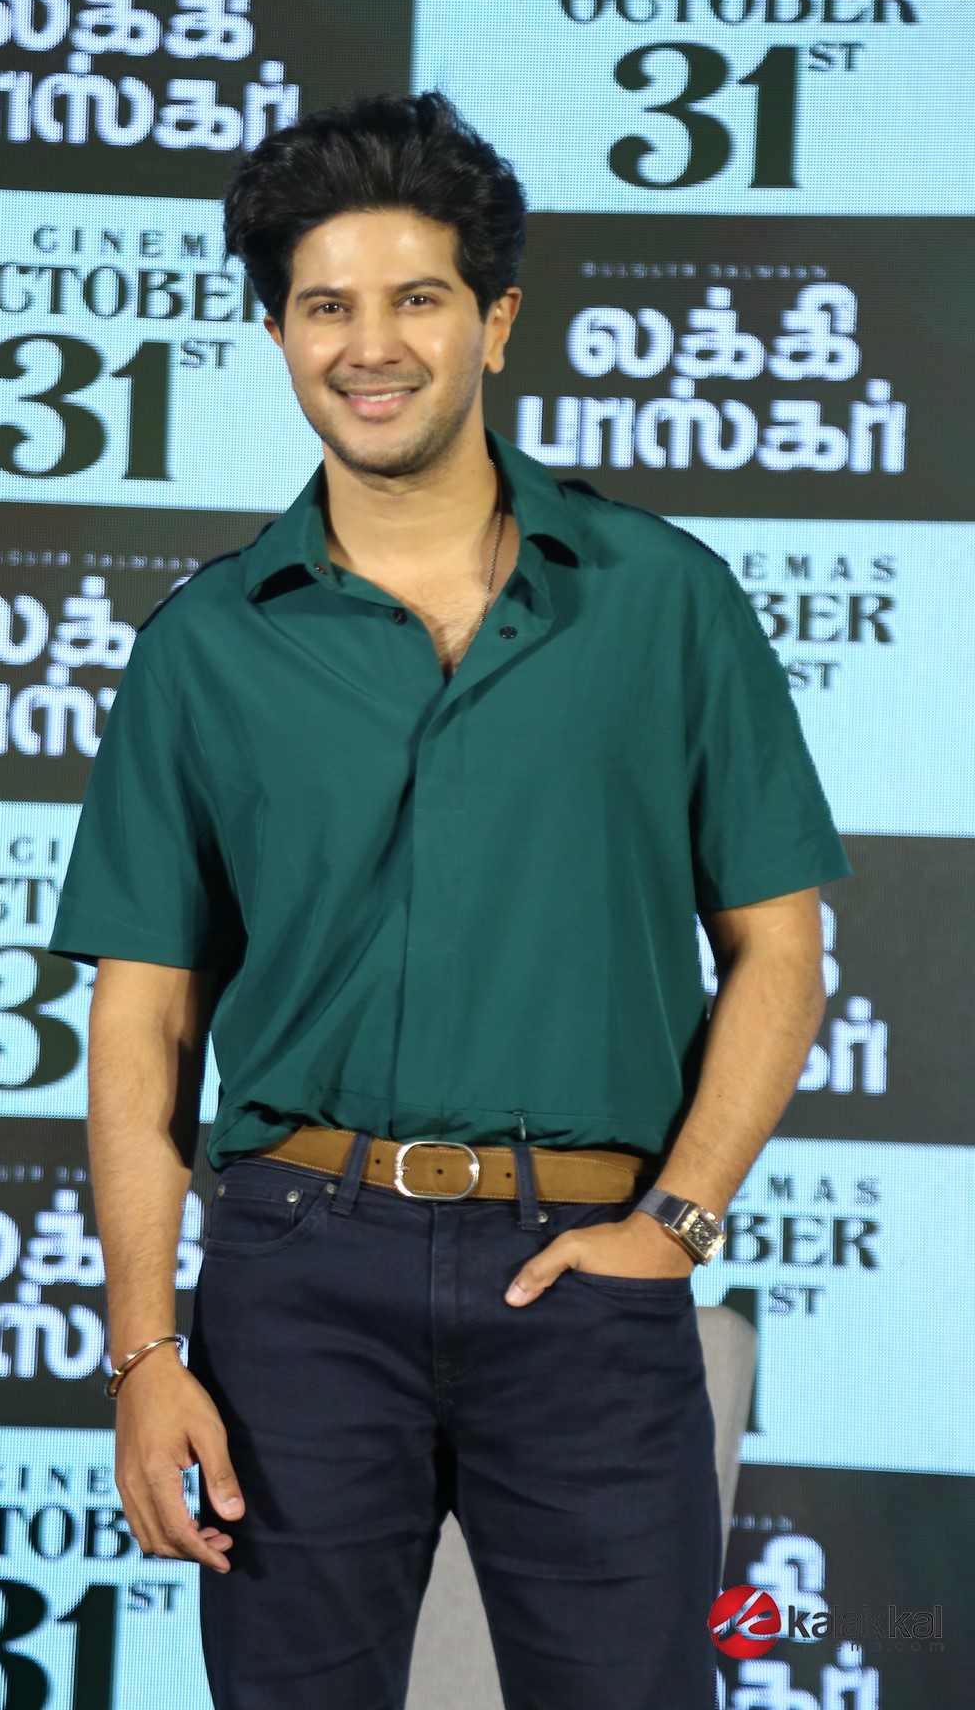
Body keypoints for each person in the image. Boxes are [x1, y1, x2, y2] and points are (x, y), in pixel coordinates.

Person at [49, 92, 850, 1709]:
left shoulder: (666, 598)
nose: (371, 347)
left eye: (416, 298)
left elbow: (781, 950)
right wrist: (143, 1355)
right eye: (324, 306)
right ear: (277, 333)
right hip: (295, 1283)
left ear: (495, 319)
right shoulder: (203, 645)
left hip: (585, 1276)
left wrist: (677, 1223)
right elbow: (142, 1025)